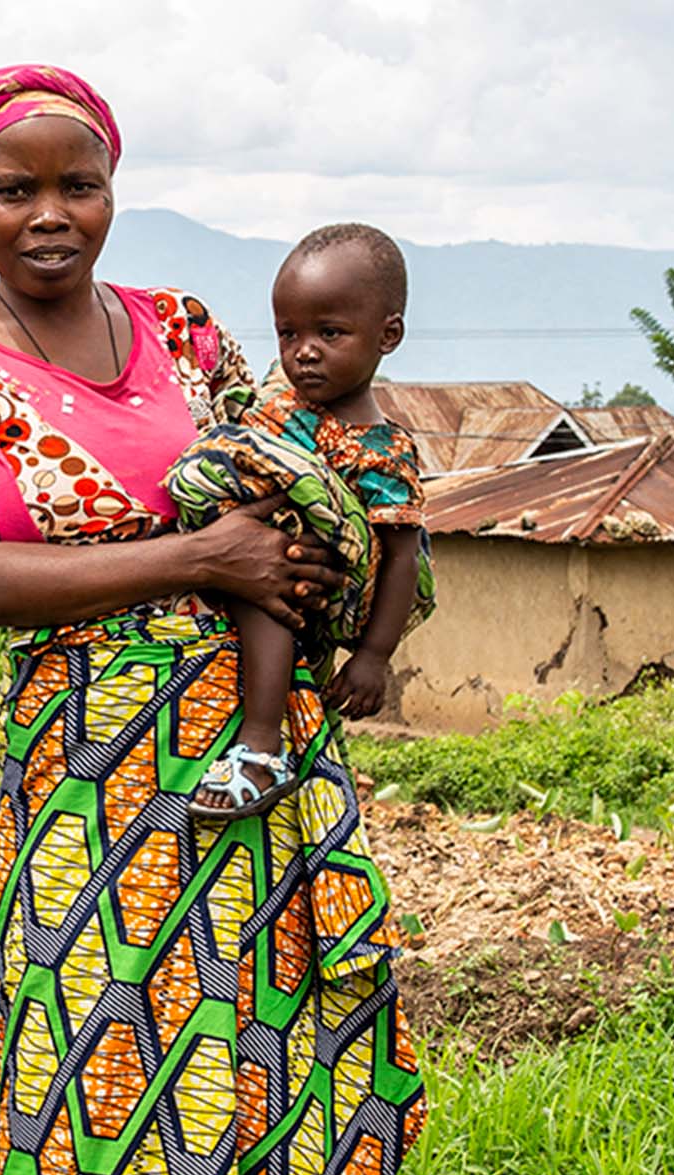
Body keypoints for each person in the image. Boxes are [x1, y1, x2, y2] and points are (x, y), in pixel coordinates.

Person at [0, 63, 426, 1175]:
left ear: (114, 189)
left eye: (79, 185)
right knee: (96, 1071)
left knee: (254, 1069)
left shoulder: (190, 328)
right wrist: (201, 561)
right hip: (89, 761)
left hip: (250, 752)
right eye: (17, 190)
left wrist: (339, 582)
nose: (52, 216)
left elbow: (308, 474)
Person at [169, 223, 436, 818]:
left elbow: (400, 555)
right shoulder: (274, 407)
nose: (304, 351)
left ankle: (261, 745)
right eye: (289, 333)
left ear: (387, 335)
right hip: (222, 584)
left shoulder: (382, 452)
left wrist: (373, 657)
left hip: (300, 586)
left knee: (274, 576)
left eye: (330, 333)